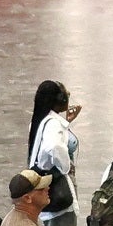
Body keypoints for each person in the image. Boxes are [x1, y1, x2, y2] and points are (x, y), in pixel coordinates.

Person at [25, 80, 81, 217]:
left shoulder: (42, 121)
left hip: (49, 191)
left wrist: (66, 122)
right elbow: (55, 146)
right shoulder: (53, 125)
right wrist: (65, 167)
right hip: (59, 194)